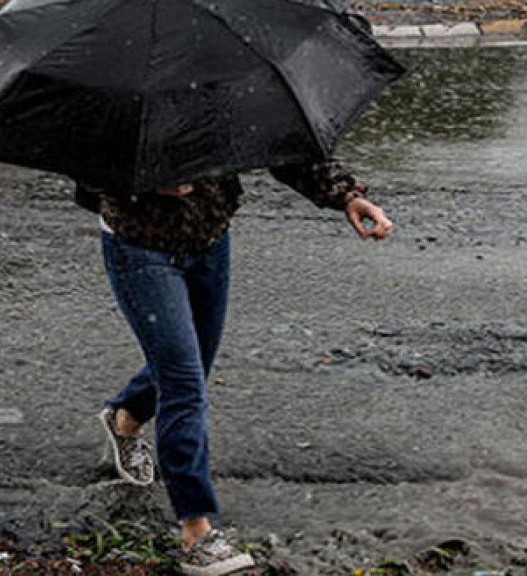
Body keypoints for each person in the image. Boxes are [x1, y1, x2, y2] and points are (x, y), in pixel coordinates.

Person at [78, 163, 394, 576]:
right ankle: (196, 532)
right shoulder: (117, 99)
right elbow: (82, 161)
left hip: (209, 240)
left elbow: (281, 143)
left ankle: (128, 415)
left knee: (195, 364)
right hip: (140, 246)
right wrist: (145, 182)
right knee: (185, 386)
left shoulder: (220, 98)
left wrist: (347, 196)